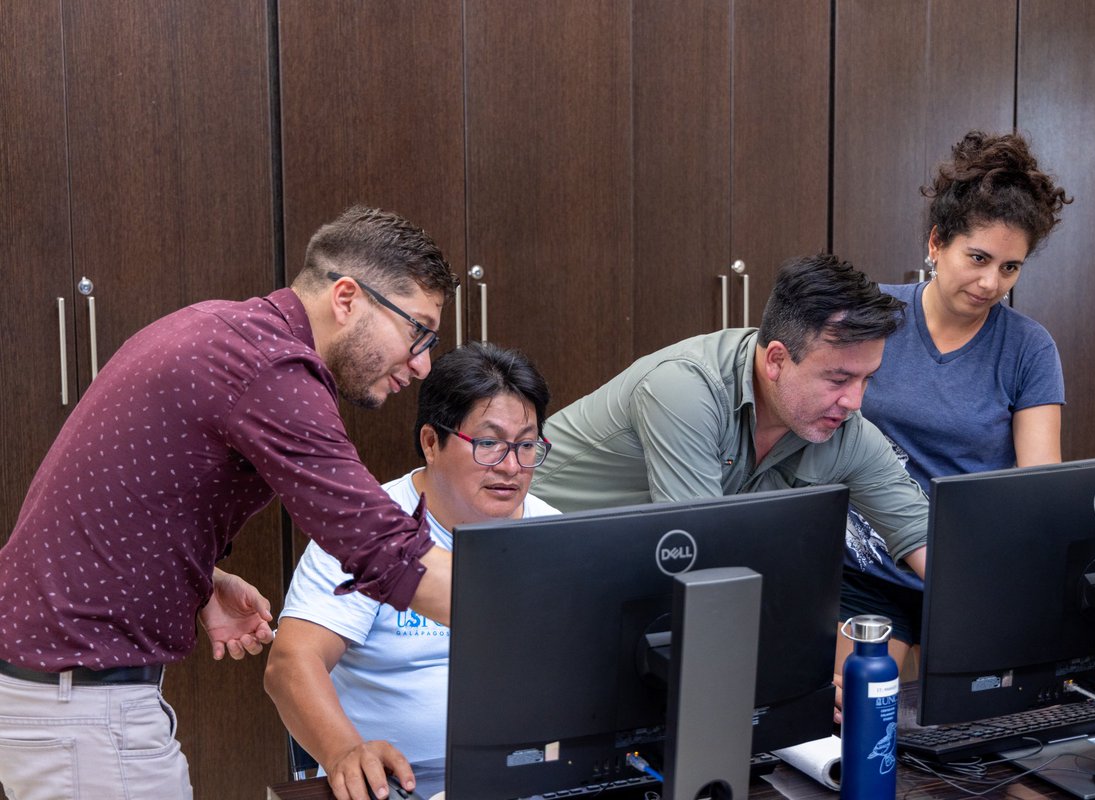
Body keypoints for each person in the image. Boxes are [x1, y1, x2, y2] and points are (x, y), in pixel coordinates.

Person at [0, 206, 458, 800]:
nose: (422, 365)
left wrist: (196, 576)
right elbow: (386, 549)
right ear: (347, 298)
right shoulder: (271, 370)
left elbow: (110, 495)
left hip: (52, 690)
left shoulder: (217, 326)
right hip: (81, 705)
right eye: (416, 331)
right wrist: (552, 612)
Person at [264, 342, 558, 800]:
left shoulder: (554, 535)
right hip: (396, 781)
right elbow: (291, 664)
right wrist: (345, 751)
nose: (511, 467)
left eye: (525, 446)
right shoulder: (365, 529)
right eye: (488, 443)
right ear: (430, 443)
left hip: (523, 773)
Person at [532, 253, 929, 582]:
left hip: (634, 576)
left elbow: (928, 543)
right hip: (538, 555)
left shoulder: (843, 427)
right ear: (776, 359)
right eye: (839, 379)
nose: (854, 401)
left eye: (866, 380)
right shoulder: (684, 388)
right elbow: (698, 559)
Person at [839, 129, 1071, 676]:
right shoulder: (871, 317)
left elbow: (1040, 488)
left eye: (1010, 268)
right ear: (936, 242)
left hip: (975, 577)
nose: (992, 282)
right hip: (867, 574)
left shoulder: (1028, 347)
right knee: (863, 715)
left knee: (973, 742)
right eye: (979, 257)